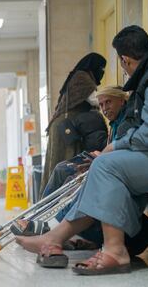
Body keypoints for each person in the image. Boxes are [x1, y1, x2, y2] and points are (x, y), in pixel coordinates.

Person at [16, 25, 148, 275]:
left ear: (125, 60)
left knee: (107, 166)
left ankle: (112, 250)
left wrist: (117, 146)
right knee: (106, 169)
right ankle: (57, 237)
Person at [12, 86, 148, 257]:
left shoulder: (127, 122)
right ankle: (44, 219)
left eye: (108, 102)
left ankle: (48, 225)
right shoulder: (115, 123)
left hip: (120, 188)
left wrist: (100, 158)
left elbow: (125, 155)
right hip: (111, 171)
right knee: (64, 169)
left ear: (122, 100)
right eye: (102, 104)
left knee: (77, 180)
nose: (105, 108)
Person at [39, 53, 108, 198]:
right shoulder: (83, 77)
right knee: (66, 164)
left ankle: (48, 201)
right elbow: (95, 100)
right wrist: (114, 95)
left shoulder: (77, 76)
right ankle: (58, 201)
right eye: (101, 67)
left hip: (62, 127)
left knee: (55, 164)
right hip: (67, 129)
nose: (102, 71)